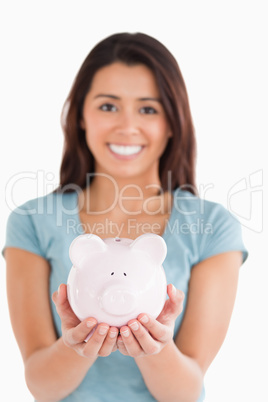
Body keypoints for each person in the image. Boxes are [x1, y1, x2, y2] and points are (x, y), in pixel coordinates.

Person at [3, 32, 248, 402]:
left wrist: (156, 348)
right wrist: (76, 346)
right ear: (81, 116)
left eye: (148, 109)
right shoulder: (33, 221)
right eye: (108, 106)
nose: (127, 127)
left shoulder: (212, 227)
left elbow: (185, 393)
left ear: (172, 122)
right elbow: (41, 385)